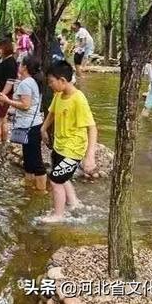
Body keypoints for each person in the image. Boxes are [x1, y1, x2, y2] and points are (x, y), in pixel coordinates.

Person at [40, 61, 97, 223]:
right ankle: (73, 203)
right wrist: (43, 129)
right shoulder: (59, 95)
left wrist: (90, 156)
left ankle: (58, 215)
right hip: (60, 146)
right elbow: (52, 113)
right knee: (62, 177)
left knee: (55, 180)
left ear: (63, 80)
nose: (50, 85)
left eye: (51, 81)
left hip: (73, 150)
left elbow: (92, 128)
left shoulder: (79, 99)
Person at [0, 56, 46, 191]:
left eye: (20, 64)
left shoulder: (26, 83)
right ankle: (29, 186)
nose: (18, 66)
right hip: (31, 124)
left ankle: (41, 191)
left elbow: (25, 105)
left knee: (35, 160)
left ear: (25, 67)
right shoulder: (32, 81)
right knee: (29, 158)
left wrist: (7, 101)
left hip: (30, 125)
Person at [0, 38, 18, 144]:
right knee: (3, 119)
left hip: (1, 95)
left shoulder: (11, 63)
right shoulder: (0, 59)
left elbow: (10, 83)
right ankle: (3, 142)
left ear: (5, 48)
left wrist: (2, 96)